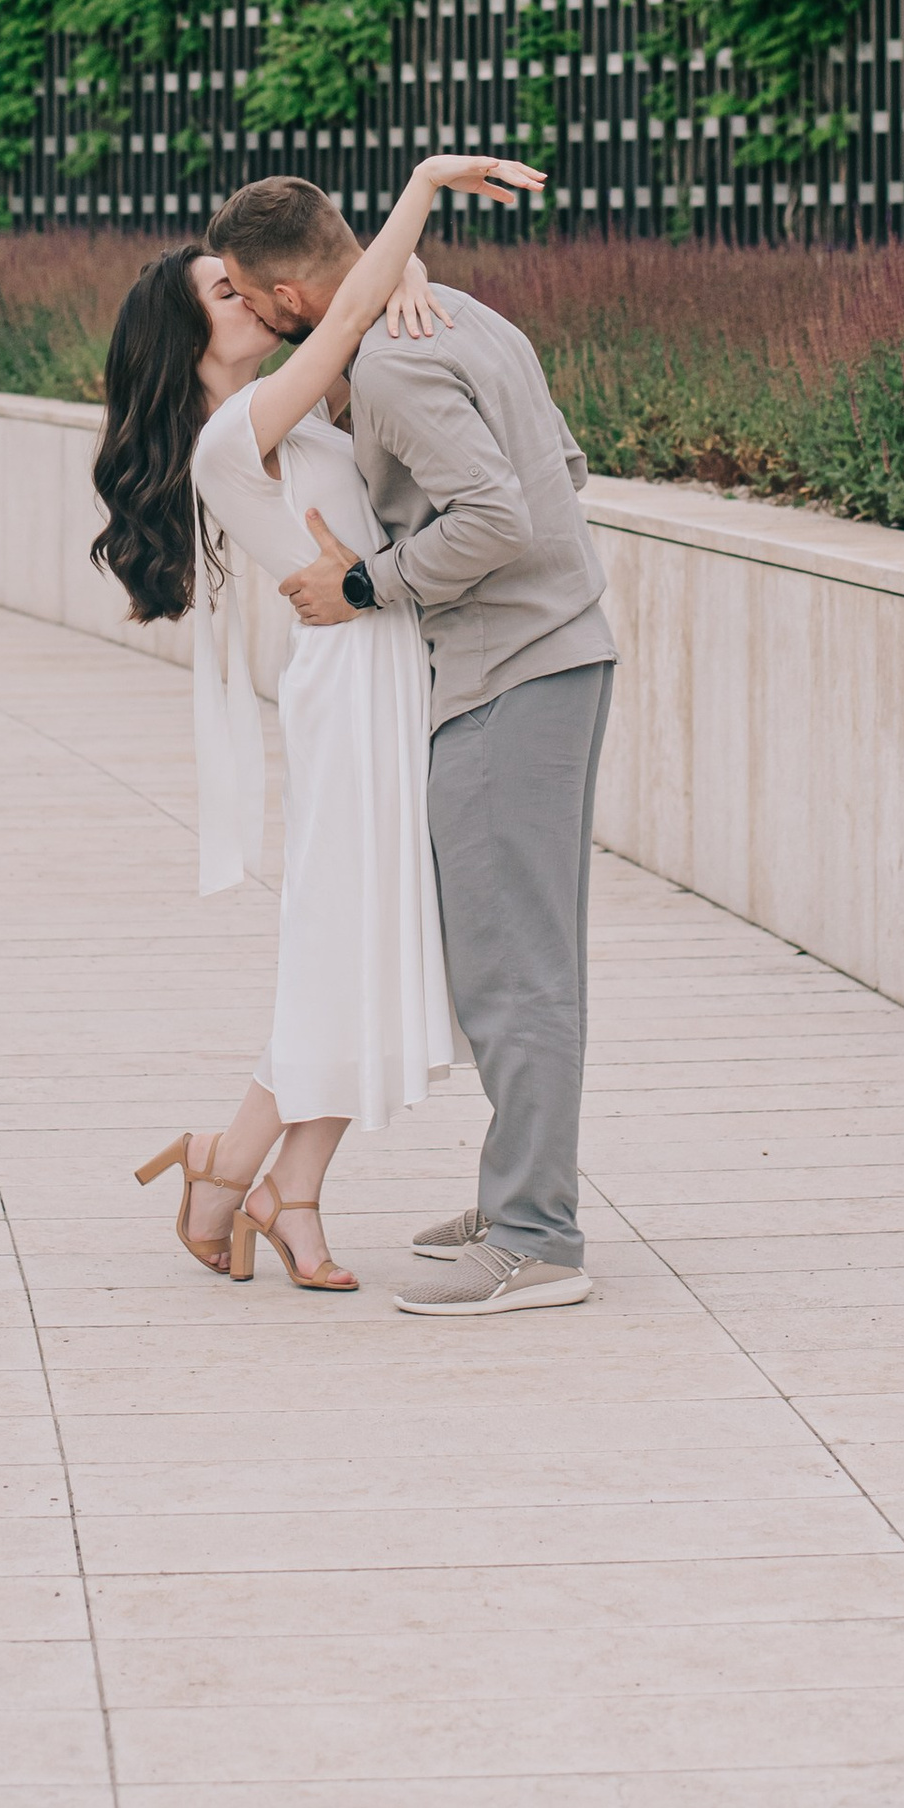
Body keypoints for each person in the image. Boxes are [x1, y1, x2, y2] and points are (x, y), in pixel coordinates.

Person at [90, 153, 543, 1294]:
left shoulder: (281, 405)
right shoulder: (227, 433)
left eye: (244, 283)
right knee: (344, 943)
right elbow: (339, 303)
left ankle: (282, 1188)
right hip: (351, 684)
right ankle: (232, 1162)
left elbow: (345, 296)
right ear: (181, 341)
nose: (248, 298)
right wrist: (425, 187)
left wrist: (406, 274)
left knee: (373, 944)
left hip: (392, 663)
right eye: (222, 295)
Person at [212, 173, 616, 1319]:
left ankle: (538, 1235)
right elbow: (564, 465)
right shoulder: (462, 315)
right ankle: (523, 1199)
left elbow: (500, 514)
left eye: (248, 293)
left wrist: (362, 580)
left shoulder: (392, 360)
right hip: (549, 651)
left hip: (508, 669)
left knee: (513, 970)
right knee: (523, 957)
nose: (249, 311)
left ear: (291, 291)